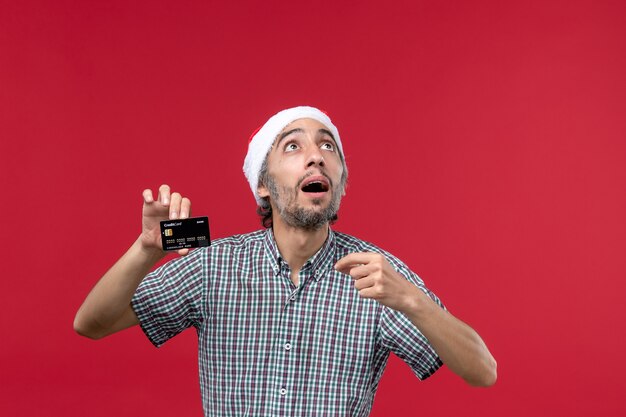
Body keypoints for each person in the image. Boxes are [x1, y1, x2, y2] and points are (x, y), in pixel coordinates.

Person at [74, 106, 497, 416]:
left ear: (340, 184)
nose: (316, 155)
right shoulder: (214, 266)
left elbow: (483, 371)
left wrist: (413, 301)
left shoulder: (378, 276)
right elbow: (91, 324)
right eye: (293, 145)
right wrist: (147, 250)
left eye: (327, 146)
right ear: (262, 184)